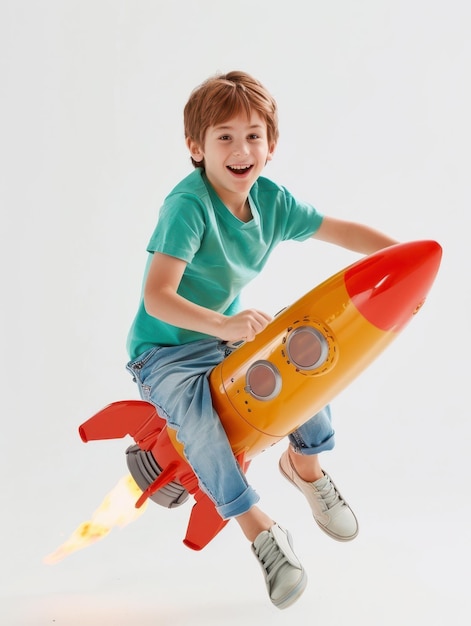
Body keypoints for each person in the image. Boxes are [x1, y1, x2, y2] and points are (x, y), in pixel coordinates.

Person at [126, 70, 398, 609]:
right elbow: (157, 296)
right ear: (195, 148)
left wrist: (407, 257)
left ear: (271, 146)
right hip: (164, 352)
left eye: (253, 135)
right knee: (202, 422)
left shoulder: (272, 202)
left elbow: (341, 231)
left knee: (302, 356)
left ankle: (306, 467)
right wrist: (225, 325)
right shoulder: (188, 206)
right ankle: (260, 530)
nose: (240, 148)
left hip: (221, 339)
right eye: (223, 136)